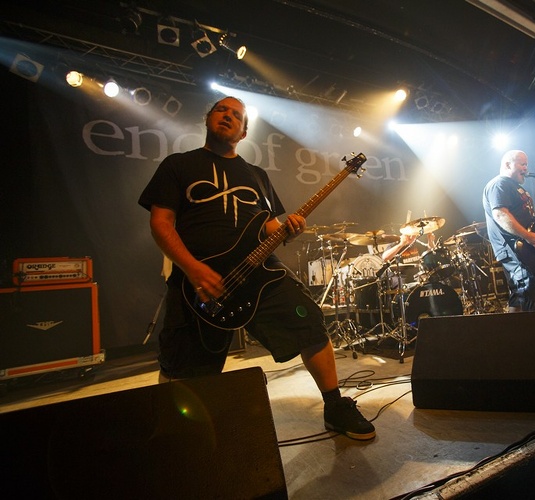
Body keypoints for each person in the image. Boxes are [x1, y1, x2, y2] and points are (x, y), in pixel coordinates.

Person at [138, 96, 375, 441]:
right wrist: (192, 268)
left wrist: (289, 229)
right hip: (200, 278)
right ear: (208, 118)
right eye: (221, 110)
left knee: (309, 320)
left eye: (237, 115)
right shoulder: (179, 165)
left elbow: (267, 226)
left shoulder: (257, 176)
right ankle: (180, 436)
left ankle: (335, 406)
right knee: (184, 362)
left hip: (258, 271)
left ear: (244, 132)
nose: (228, 116)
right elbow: (161, 223)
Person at [482, 149, 535, 312]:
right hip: (513, 248)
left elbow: (521, 216)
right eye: (522, 164)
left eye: (526, 164)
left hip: (523, 246)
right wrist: (527, 235)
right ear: (508, 164)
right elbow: (500, 214)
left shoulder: (515, 187)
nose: (526, 168)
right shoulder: (499, 184)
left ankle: (519, 327)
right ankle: (526, 328)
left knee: (522, 296)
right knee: (526, 292)